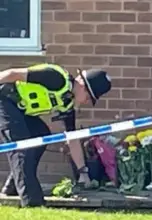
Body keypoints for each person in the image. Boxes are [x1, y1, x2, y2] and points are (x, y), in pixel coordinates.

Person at [0, 64, 112, 207]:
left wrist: (83, 172)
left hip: (20, 110)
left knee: (40, 135)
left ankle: (12, 188)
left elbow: (72, 137)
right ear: (83, 85)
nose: (87, 102)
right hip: (4, 100)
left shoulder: (67, 103)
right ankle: (33, 203)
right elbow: (13, 73)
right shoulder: (55, 77)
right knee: (21, 148)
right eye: (89, 97)